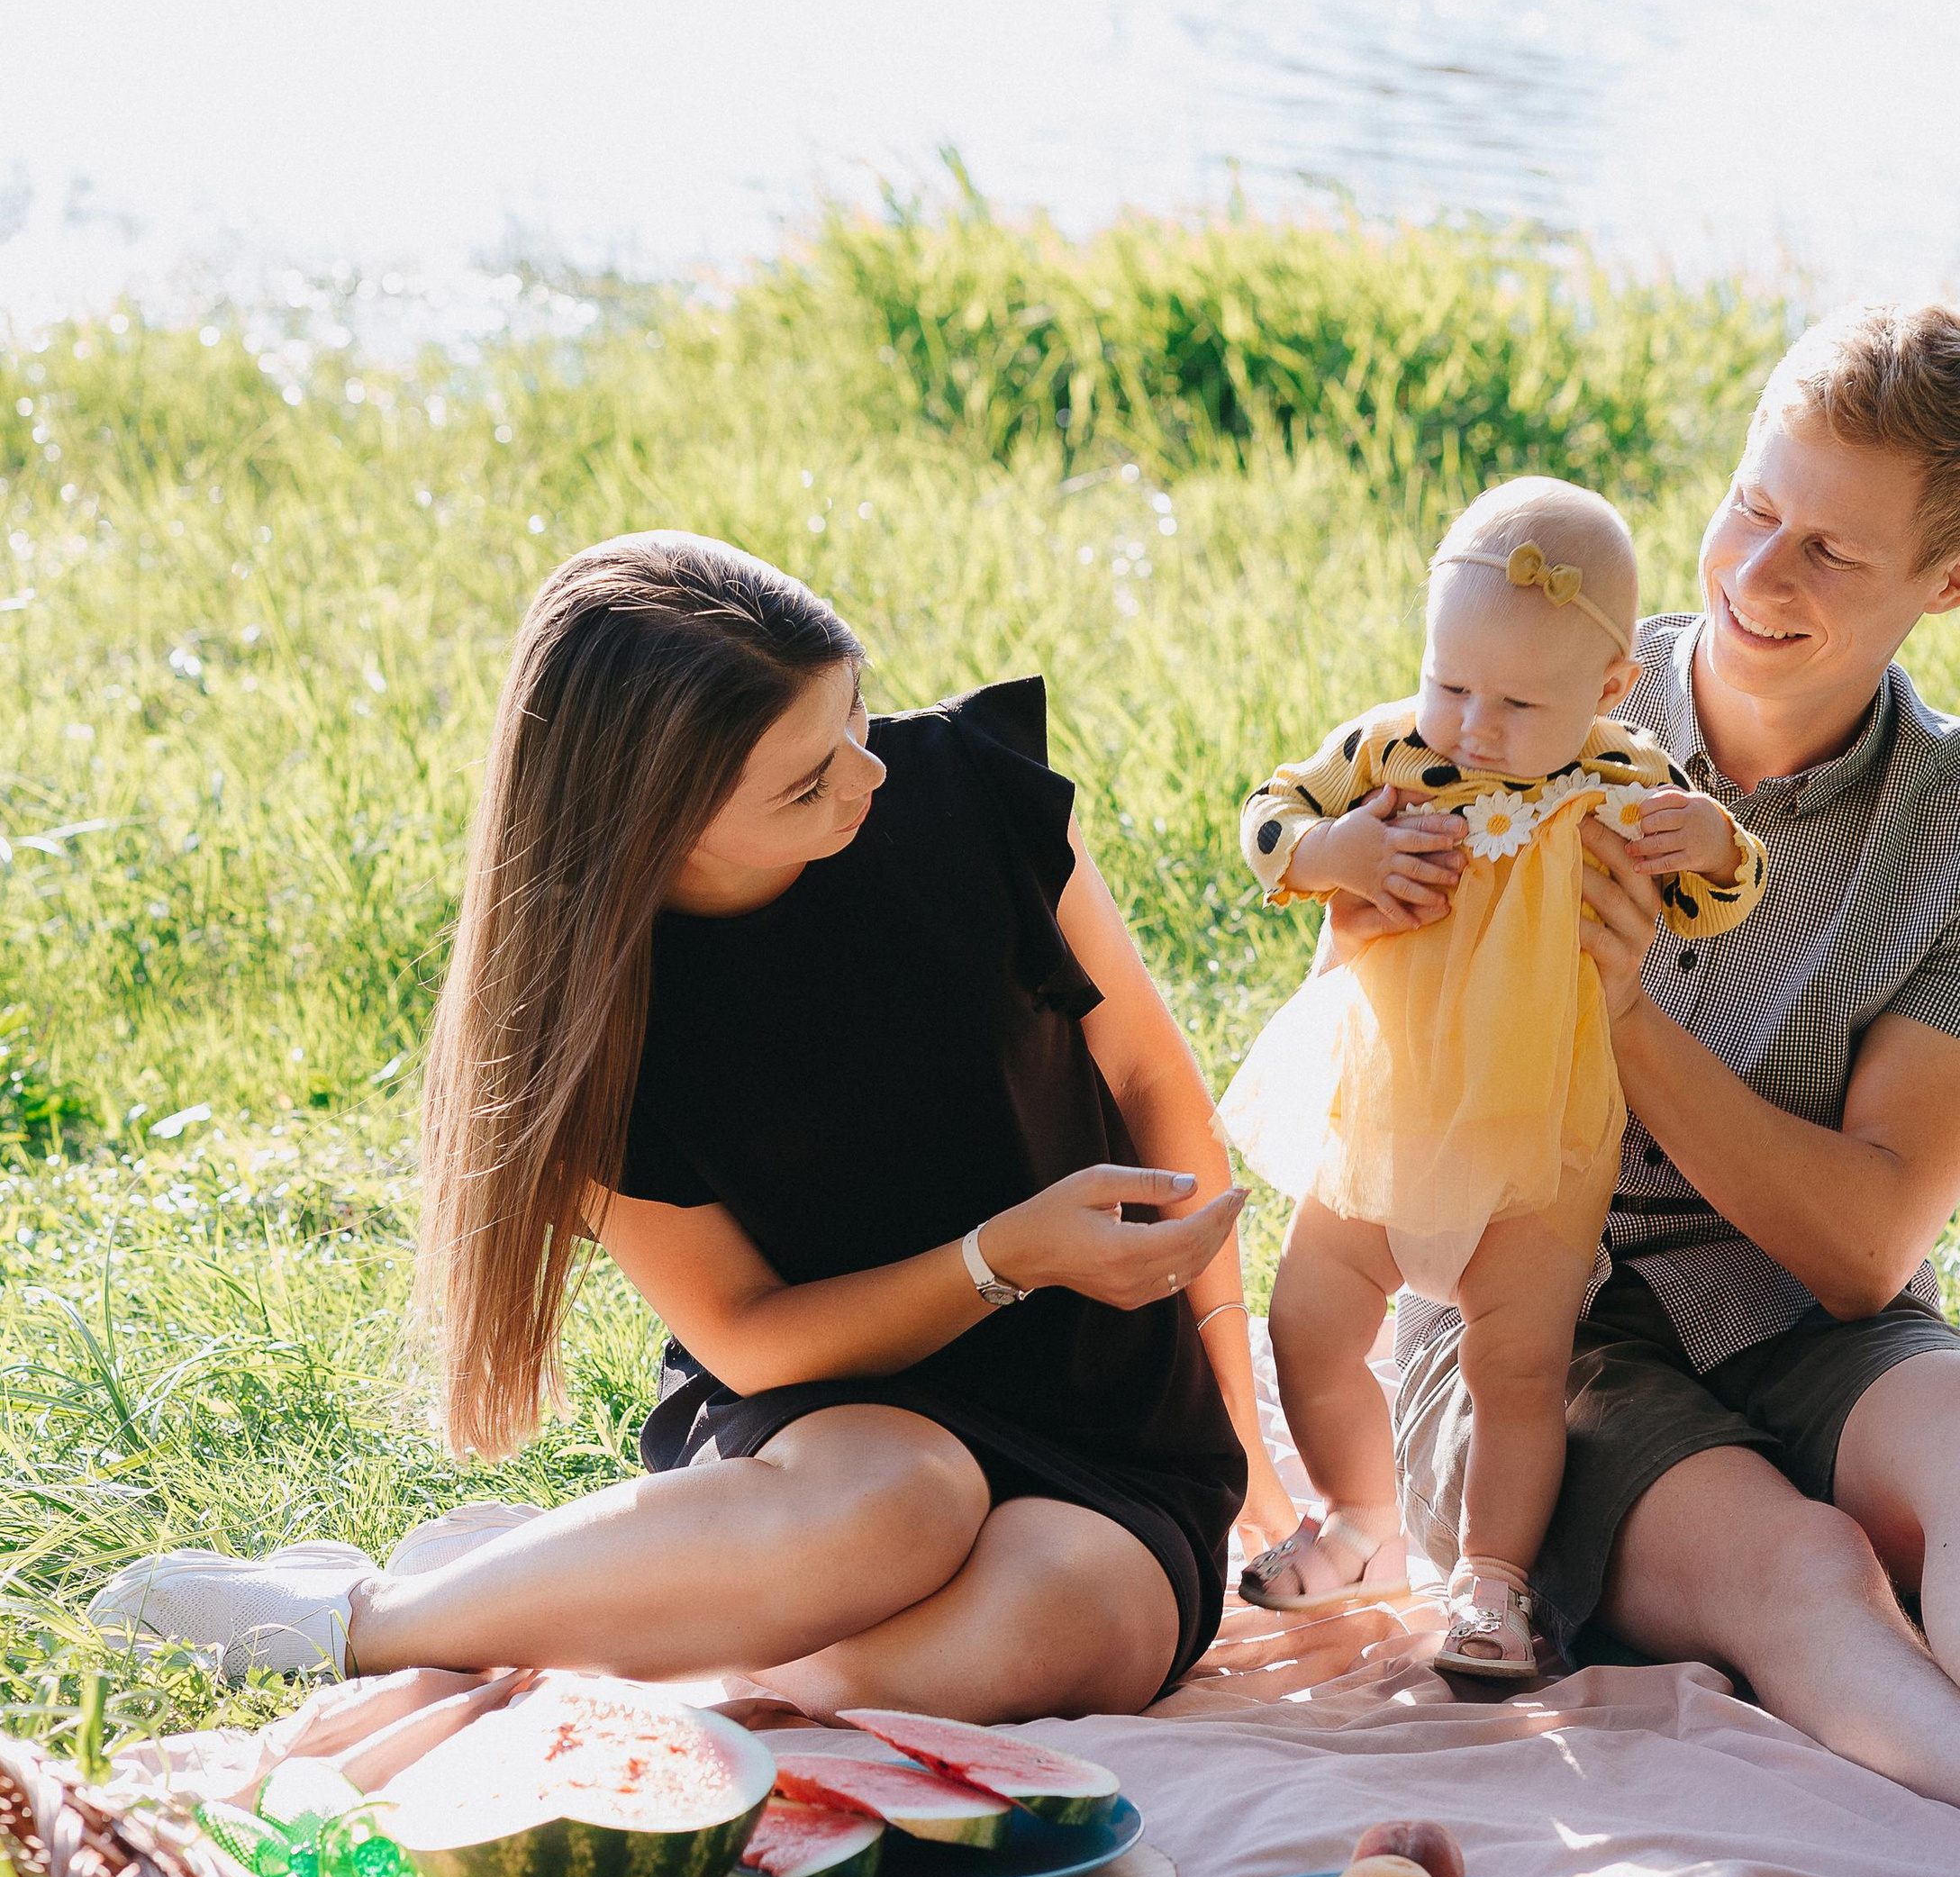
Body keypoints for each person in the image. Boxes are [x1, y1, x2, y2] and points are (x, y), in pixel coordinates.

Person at [1288, 303, 1960, 1877]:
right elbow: (1353, 987)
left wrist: (1620, 1016)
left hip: (1802, 1304)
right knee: (1794, 1559)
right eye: (1756, 508)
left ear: (1950, 580)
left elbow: (1862, 1252)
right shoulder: (1532, 697)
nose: (1761, 576)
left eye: (1834, 552)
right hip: (1528, 1319)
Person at [95, 535, 1297, 1719]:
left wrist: (1233, 1411)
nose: (869, 780)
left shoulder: (970, 794)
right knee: (901, 1503)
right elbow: (754, 1337)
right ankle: (371, 1623)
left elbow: (1150, 1081)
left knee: (1059, 1623)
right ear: (651, 826)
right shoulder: (588, 1025)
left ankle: (626, 1594)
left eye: (856, 721)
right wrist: (1002, 1259)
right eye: (805, 782)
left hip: (1112, 1415)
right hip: (829, 1419)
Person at [1220, 476, 1764, 1685]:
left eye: (1518, 701)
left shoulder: (1627, 779)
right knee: (1309, 1323)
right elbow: (1267, 818)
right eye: (1451, 682)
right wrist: (1330, 849)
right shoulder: (1389, 752)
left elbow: (1721, 902)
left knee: (1515, 1368)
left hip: (1540, 1144)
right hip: (1385, 1120)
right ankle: (1360, 1527)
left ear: (1610, 689)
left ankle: (1495, 1584)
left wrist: (1716, 845)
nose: (1473, 722)